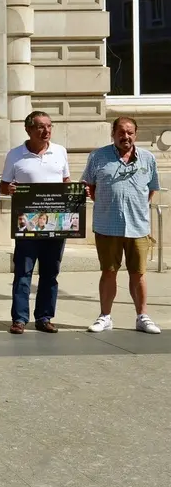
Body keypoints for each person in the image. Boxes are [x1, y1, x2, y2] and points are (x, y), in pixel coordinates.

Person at [82, 116, 162, 334]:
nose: (125, 136)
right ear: (113, 134)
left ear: (135, 134)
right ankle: (105, 316)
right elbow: (88, 186)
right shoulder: (98, 156)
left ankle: (142, 317)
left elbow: (152, 189)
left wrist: (135, 205)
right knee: (108, 272)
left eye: (129, 132)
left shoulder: (148, 158)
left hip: (138, 226)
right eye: (121, 132)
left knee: (138, 273)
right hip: (107, 225)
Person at [1, 112, 71, 335]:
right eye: (41, 127)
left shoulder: (60, 152)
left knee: (50, 273)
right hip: (27, 224)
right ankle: (19, 319)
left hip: (55, 224)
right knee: (23, 272)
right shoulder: (15, 155)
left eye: (49, 126)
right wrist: (9, 189)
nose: (46, 131)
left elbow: (66, 182)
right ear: (28, 129)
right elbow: (3, 187)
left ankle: (44, 317)